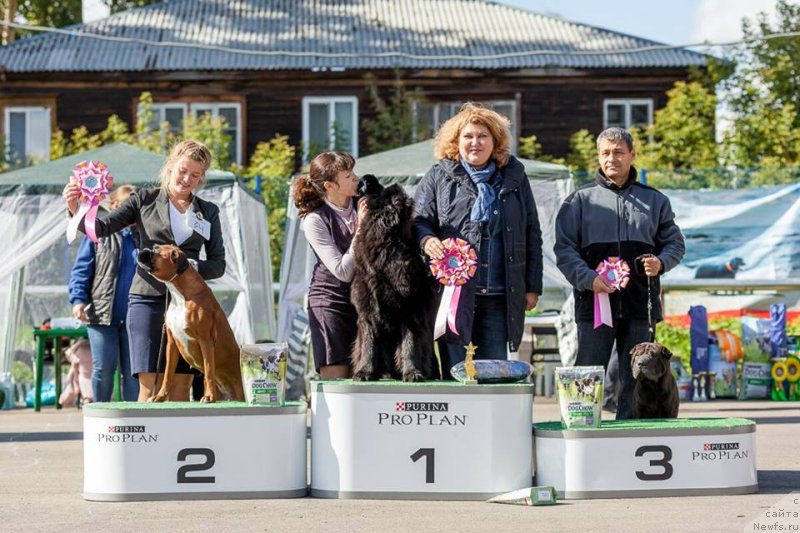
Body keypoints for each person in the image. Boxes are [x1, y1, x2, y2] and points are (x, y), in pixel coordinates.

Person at [62, 140, 225, 401]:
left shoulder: (208, 211)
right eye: (183, 170)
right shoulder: (143, 200)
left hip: (189, 305)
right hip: (147, 299)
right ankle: (148, 441)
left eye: (195, 175)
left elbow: (218, 264)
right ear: (171, 167)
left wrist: (187, 267)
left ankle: (178, 442)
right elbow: (102, 229)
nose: (187, 179)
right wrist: (75, 208)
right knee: (148, 387)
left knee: (180, 388)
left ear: (202, 177)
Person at [554, 127, 685, 419]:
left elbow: (674, 242)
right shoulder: (578, 201)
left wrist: (661, 262)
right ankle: (579, 427)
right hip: (594, 304)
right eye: (605, 153)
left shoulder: (655, 200)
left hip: (642, 304)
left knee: (636, 377)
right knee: (588, 369)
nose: (611, 158)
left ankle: (629, 432)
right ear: (598, 157)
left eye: (618, 152)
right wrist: (589, 279)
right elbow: (564, 250)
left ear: (632, 155)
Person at [414, 102, 543, 377]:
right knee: (456, 373)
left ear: (495, 141)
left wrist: (532, 286)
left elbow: (531, 232)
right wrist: (426, 240)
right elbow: (418, 219)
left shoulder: (516, 177)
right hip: (453, 295)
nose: (476, 142)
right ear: (456, 141)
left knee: (492, 372)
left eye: (483, 136)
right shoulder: (438, 175)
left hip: (500, 294)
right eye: (468, 136)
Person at [294, 151, 365, 380]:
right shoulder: (314, 220)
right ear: (329, 185)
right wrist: (363, 228)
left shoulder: (363, 204)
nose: (356, 178)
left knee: (366, 376)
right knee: (338, 380)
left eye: (353, 172)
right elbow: (343, 272)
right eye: (348, 175)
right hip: (330, 303)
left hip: (364, 302)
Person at [68, 184, 139, 402]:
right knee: (103, 368)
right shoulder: (96, 234)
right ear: (114, 206)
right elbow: (81, 270)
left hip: (135, 319)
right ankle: (100, 417)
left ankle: (134, 421)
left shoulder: (146, 237)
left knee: (133, 373)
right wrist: (78, 300)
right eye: (127, 205)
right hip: (101, 315)